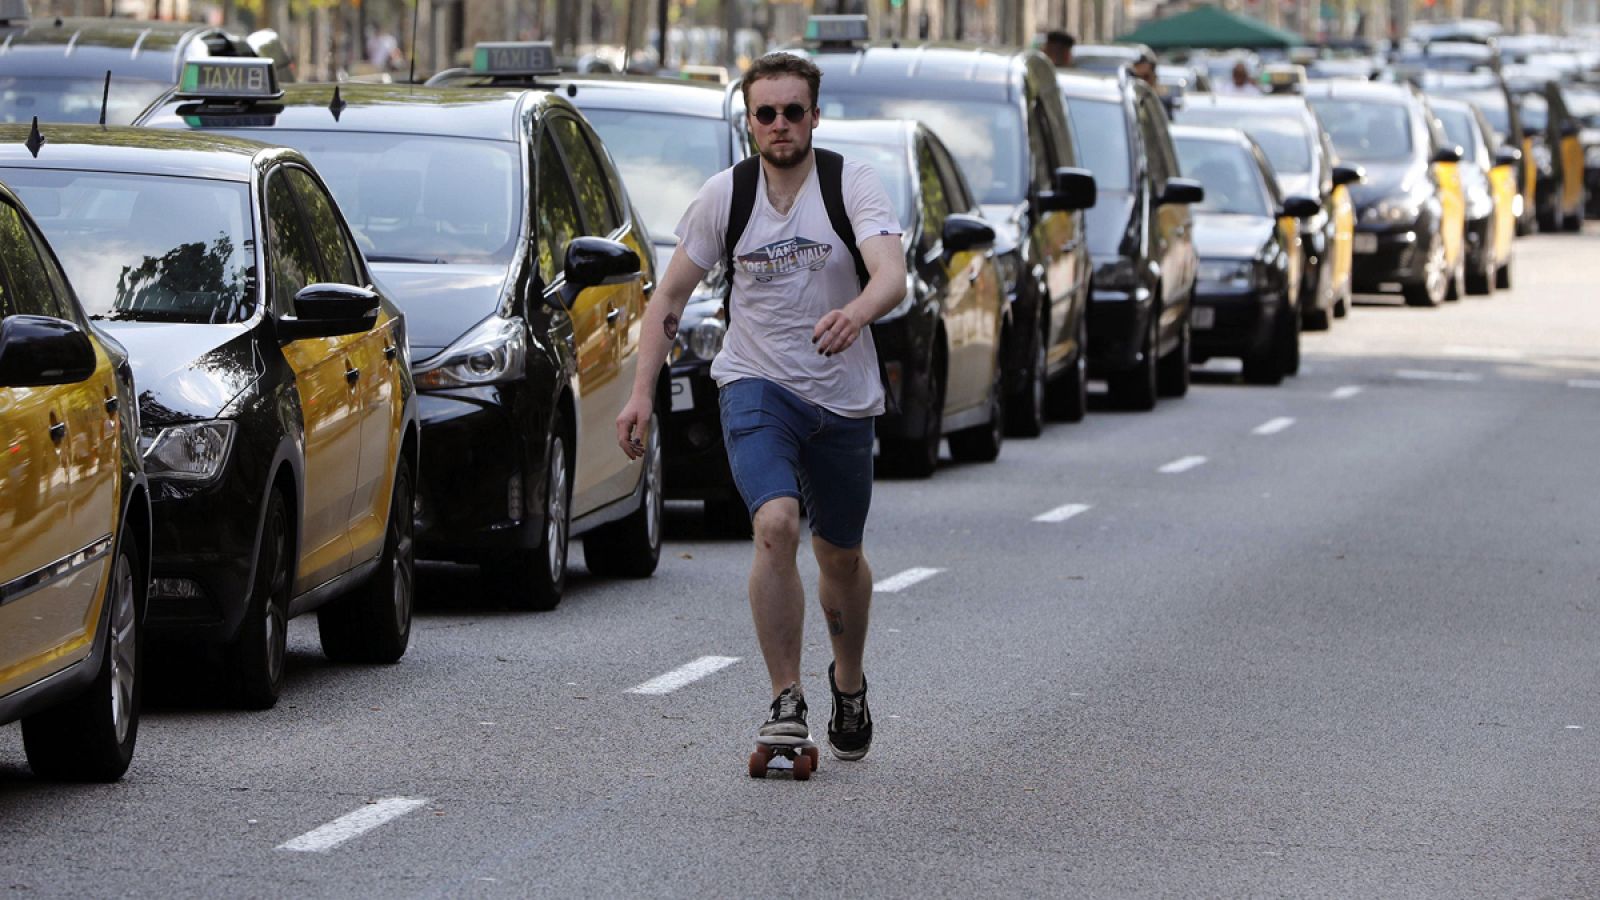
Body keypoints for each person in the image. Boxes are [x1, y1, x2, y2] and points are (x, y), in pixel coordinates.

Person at [615, 53, 906, 762]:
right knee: (775, 524)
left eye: (793, 112)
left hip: (841, 396)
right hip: (755, 384)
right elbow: (669, 301)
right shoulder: (727, 195)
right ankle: (785, 698)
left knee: (840, 554)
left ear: (814, 116)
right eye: (766, 113)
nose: (780, 125)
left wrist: (856, 313)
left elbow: (891, 274)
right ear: (749, 121)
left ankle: (847, 680)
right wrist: (640, 394)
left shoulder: (850, 183)